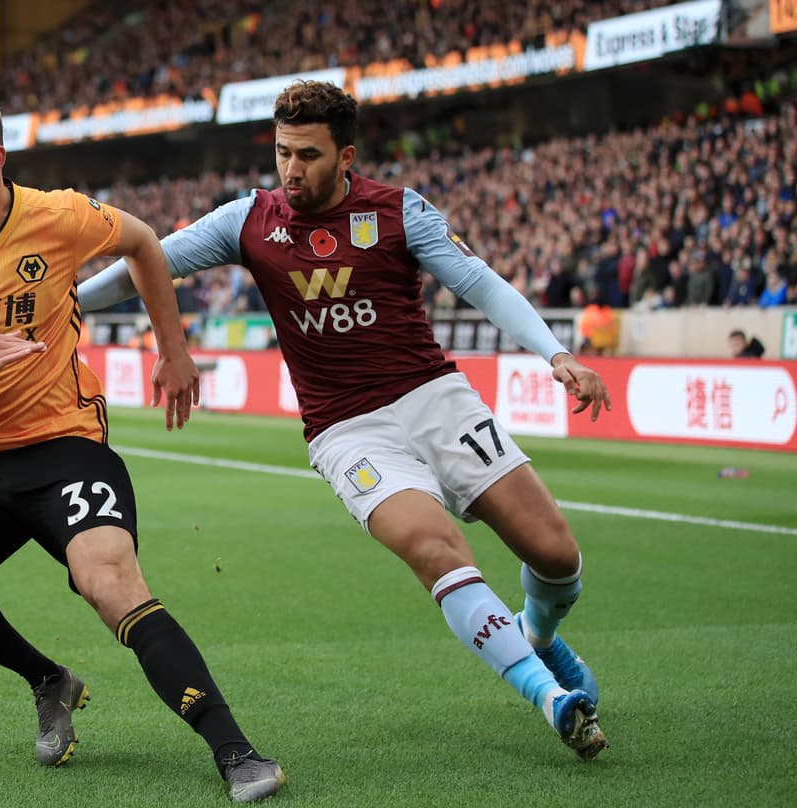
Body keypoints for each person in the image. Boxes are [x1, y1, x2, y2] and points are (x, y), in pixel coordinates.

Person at [79, 80, 612, 761]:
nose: (291, 169)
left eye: (308, 155)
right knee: (435, 548)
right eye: (282, 153)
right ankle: (549, 696)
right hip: (346, 428)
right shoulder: (247, 220)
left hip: (434, 398)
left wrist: (556, 353)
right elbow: (146, 262)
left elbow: (478, 281)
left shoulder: (398, 212)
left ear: (346, 156)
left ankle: (537, 636)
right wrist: (64, 302)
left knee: (557, 555)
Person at [0, 85, 283, 803]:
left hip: (64, 445)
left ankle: (235, 749)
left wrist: (172, 349)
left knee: (109, 583)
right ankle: (47, 678)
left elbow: (143, 242)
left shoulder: (56, 217)